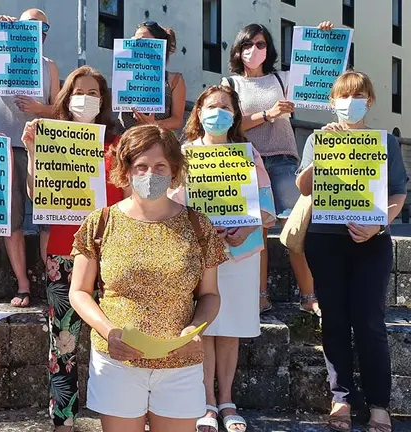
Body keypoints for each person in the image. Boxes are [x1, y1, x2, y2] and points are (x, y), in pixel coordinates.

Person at [69, 124, 226, 431]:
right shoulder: (100, 223)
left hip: (180, 363)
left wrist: (195, 327)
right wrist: (109, 331)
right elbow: (79, 291)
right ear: (125, 171)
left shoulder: (198, 226)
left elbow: (210, 294)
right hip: (117, 363)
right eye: (140, 166)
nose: (149, 174)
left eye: (159, 166)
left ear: (174, 170)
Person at [295, 71, 407, 432]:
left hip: (371, 241)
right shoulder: (318, 139)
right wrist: (320, 156)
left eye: (357, 96)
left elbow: (397, 195)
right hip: (326, 240)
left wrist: (378, 224)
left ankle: (379, 404)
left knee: (370, 322)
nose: (350, 102)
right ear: (332, 103)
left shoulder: (386, 143)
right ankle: (340, 397)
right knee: (335, 320)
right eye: (343, 97)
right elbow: (303, 186)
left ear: (369, 101)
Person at [20, 65, 128, 431]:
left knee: (116, 338)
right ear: (66, 97)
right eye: (79, 91)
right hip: (64, 256)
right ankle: (63, 420)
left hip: (113, 256)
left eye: (94, 93)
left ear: (104, 101)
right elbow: (38, 195)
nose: (87, 98)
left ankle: (119, 414)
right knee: (63, 343)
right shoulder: (50, 139)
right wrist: (34, 151)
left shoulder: (117, 146)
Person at [171, 86, 277, 432]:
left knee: (228, 329)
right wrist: (200, 230)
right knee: (202, 328)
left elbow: (267, 207)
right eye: (211, 105)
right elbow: (172, 205)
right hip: (197, 257)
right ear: (198, 112)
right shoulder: (183, 155)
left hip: (238, 255)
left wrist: (248, 227)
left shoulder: (249, 155)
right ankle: (205, 404)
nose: (217, 111)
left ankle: (227, 400)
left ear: (235, 115)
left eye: (225, 106)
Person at [222, 21, 334, 315]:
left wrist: (322, 39)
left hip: (284, 159)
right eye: (248, 45)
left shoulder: (283, 79)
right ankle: (260, 296)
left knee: (296, 227)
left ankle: (309, 296)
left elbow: (323, 71)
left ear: (269, 49)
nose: (254, 50)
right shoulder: (229, 85)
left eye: (260, 44)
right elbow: (230, 123)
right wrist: (267, 114)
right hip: (246, 162)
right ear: (238, 50)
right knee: (256, 230)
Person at [0, 8, 61, 307]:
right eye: (29, 25)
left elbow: (59, 110)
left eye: (42, 26)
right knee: (11, 220)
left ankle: (52, 281)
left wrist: (40, 109)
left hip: (41, 148)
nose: (37, 30)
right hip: (6, 148)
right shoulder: (0, 56)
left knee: (48, 218)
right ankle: (23, 284)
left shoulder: (49, 66)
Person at [118, 21, 186, 133]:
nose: (136, 44)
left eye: (142, 40)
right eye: (134, 40)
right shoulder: (124, 73)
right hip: (126, 139)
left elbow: (177, 120)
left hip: (156, 142)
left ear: (158, 45)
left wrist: (154, 124)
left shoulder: (174, 80)